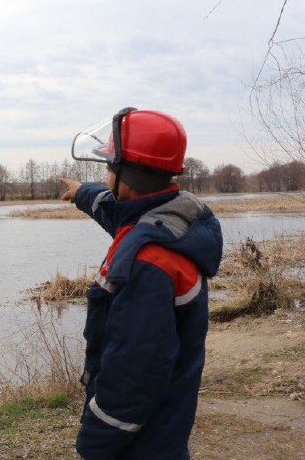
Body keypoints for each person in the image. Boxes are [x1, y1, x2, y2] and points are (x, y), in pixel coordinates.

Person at [61, 108, 223, 460]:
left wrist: (95, 442)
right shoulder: (171, 221)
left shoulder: (146, 263)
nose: (105, 178)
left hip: (140, 444)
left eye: (109, 169)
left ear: (127, 178)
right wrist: (79, 193)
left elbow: (134, 377)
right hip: (167, 427)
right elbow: (112, 208)